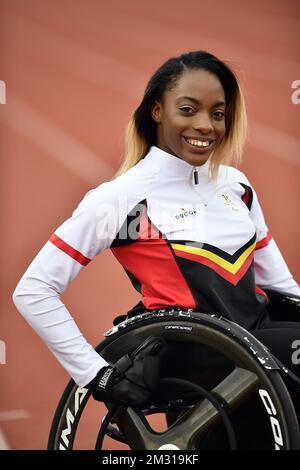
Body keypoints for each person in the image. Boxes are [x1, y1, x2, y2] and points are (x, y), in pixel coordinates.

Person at [13, 51, 300, 410]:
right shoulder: (122, 197)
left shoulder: (237, 186)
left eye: (218, 114)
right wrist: (96, 375)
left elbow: (282, 287)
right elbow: (33, 290)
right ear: (157, 111)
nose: (206, 126)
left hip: (257, 341)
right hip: (198, 357)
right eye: (188, 110)